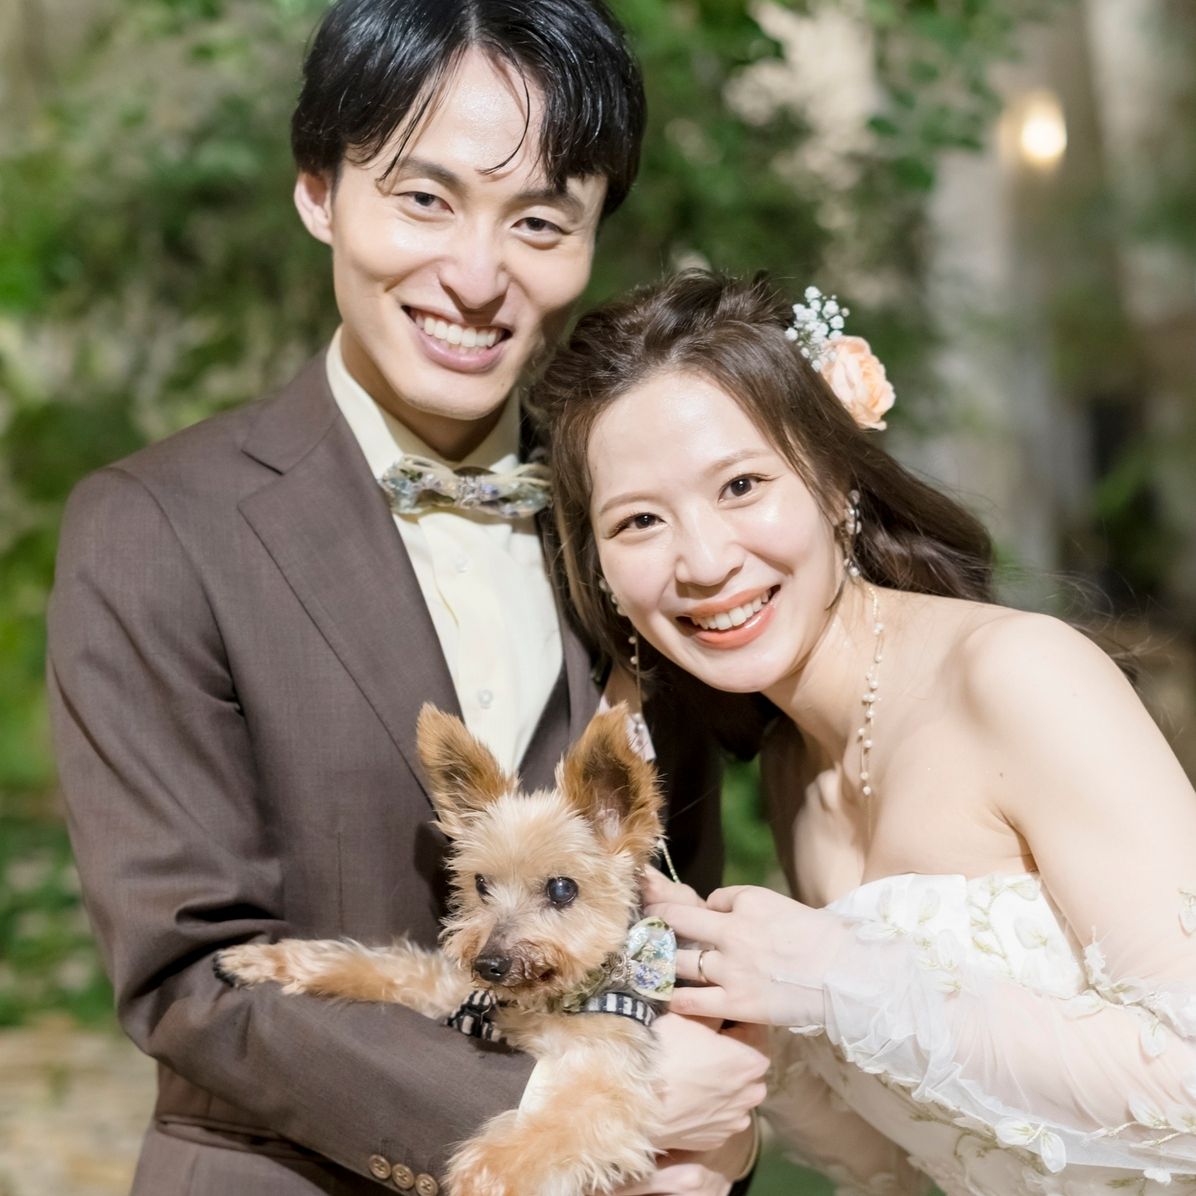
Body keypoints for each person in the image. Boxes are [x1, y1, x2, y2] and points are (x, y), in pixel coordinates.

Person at [45, 6, 767, 1192]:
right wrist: (541, 1114)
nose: (476, 278)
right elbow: (188, 975)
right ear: (318, 190)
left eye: (538, 221)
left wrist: (716, 1137)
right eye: (424, 199)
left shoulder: (635, 518)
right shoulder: (155, 525)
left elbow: (671, 898)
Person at [536, 268, 1196, 1195]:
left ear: (834, 478)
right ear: (602, 571)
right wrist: (744, 1042)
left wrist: (840, 979)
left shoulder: (1018, 676)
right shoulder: (791, 768)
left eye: (741, 485)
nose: (705, 561)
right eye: (640, 520)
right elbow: (914, 1158)